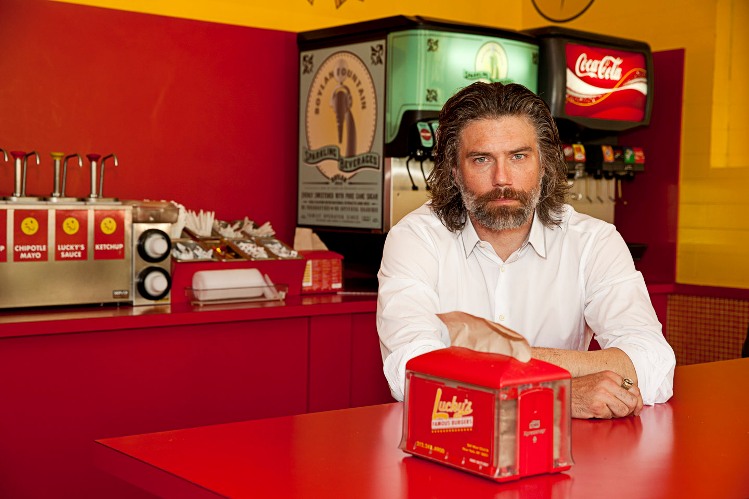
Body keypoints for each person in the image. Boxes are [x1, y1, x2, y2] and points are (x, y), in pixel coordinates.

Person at [377, 81, 675, 419]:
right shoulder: (416, 239)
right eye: (481, 159)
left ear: (544, 163)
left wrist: (486, 361)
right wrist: (555, 393)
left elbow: (655, 365)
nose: (502, 178)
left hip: (568, 457)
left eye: (518, 156)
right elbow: (412, 372)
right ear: (455, 171)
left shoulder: (594, 241)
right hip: (451, 444)